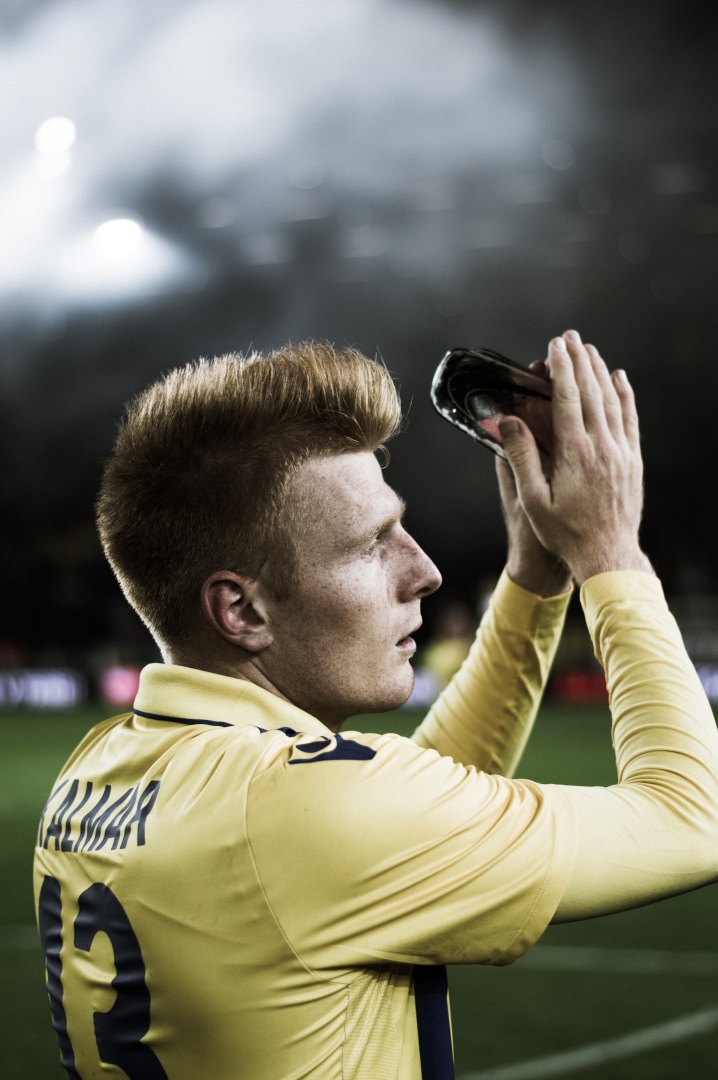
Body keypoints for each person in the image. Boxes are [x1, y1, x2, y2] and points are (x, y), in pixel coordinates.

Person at [34, 332, 718, 1080]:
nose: (424, 570)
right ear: (242, 611)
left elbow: (389, 813)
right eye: (372, 544)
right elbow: (695, 818)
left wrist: (535, 576)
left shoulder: (96, 770)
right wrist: (611, 553)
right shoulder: (302, 812)